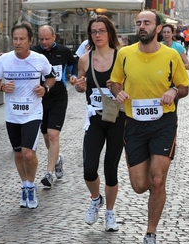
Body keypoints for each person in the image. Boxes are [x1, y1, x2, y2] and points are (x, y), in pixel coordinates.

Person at [110, 10, 189, 244]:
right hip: (134, 124)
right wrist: (118, 92)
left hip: (163, 123)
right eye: (139, 23)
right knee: (139, 185)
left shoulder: (171, 56)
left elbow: (185, 87)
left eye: (147, 23)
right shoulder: (124, 54)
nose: (142, 26)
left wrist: (174, 92)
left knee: (157, 180)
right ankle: (146, 187)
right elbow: (114, 82)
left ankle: (151, 234)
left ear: (158, 28)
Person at [0, 22, 56, 209]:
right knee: (18, 154)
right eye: (15, 39)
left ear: (30, 40)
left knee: (28, 153)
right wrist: (2, 87)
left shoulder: (39, 59)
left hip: (32, 113)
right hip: (12, 114)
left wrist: (45, 88)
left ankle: (32, 185)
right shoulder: (4, 60)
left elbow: (51, 77)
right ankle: (25, 185)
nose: (18, 43)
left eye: (22, 39)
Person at [70, 15, 126, 232]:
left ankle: (110, 213)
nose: (98, 35)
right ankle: (95, 199)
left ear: (109, 32)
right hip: (94, 118)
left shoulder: (122, 57)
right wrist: (79, 86)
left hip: (117, 118)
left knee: (111, 168)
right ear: (90, 35)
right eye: (94, 32)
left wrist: (119, 90)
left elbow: (128, 88)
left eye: (102, 31)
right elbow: (81, 85)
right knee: (89, 168)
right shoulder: (84, 59)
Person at [30, 25, 78, 187]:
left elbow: (74, 64)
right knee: (45, 136)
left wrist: (75, 76)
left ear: (54, 37)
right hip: (40, 99)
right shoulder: (34, 52)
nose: (44, 42)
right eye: (41, 39)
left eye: (47, 39)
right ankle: (57, 159)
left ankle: (48, 174)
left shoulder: (64, 51)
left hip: (58, 97)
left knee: (52, 135)